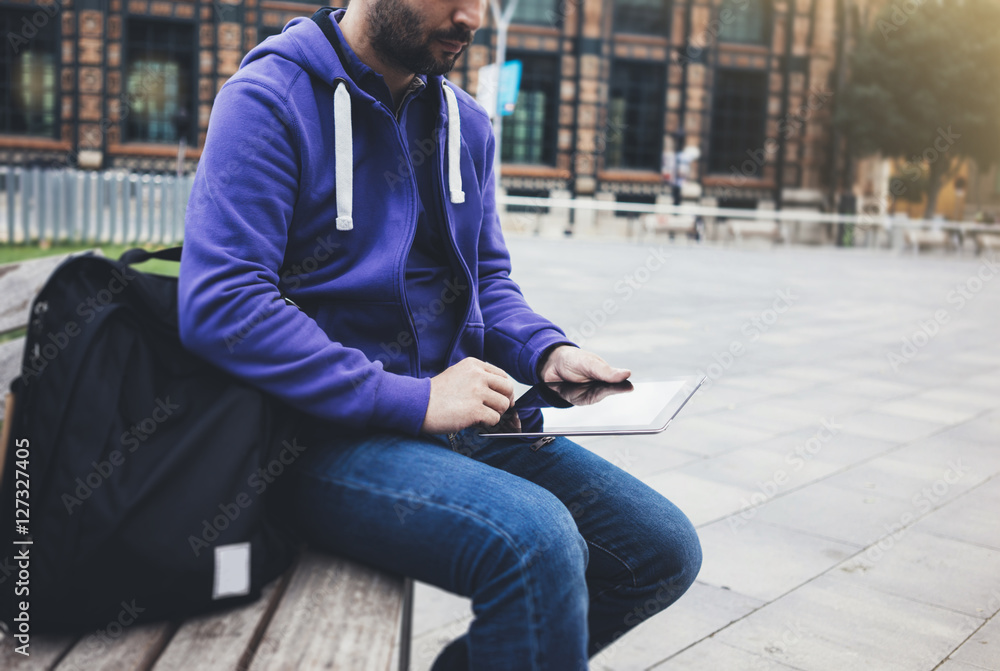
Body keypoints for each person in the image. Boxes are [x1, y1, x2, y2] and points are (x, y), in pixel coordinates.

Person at [177, 1, 701, 668]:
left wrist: (546, 351)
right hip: (314, 436)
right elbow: (224, 303)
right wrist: (414, 399)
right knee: (535, 544)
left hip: (460, 419)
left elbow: (486, 281)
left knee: (661, 549)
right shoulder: (267, 99)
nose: (472, 16)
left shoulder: (466, 124)